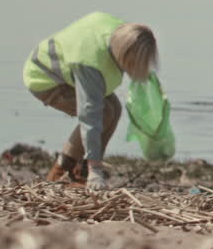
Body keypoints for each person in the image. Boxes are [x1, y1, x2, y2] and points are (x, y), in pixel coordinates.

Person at [22, 12, 159, 191]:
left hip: (72, 72)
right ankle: (64, 170)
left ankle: (83, 169)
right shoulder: (91, 62)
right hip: (45, 78)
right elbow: (89, 118)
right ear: (126, 54)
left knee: (114, 109)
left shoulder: (121, 34)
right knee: (102, 114)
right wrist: (96, 170)